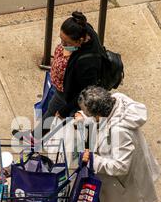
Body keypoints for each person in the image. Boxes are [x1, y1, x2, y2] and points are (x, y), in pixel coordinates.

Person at [77, 86, 161, 202]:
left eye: (88, 113)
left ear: (98, 114)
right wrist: (84, 120)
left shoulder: (119, 132)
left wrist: (93, 160)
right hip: (116, 182)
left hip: (124, 183)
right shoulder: (117, 100)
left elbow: (120, 166)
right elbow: (101, 124)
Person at [13, 11, 104, 141]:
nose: (63, 45)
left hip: (71, 96)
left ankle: (80, 152)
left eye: (67, 43)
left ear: (80, 41)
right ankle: (35, 137)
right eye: (62, 40)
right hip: (63, 88)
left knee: (74, 128)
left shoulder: (88, 64)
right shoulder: (84, 29)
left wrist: (64, 110)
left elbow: (84, 93)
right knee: (51, 110)